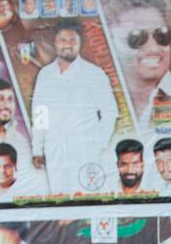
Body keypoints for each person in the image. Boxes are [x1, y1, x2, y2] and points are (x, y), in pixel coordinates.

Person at [31, 21, 119, 196]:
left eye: (73, 40)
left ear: (80, 43)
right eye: (63, 40)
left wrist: (97, 144)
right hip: (54, 149)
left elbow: (110, 112)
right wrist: (37, 149)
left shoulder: (94, 73)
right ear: (55, 43)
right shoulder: (45, 75)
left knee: (87, 198)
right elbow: (40, 113)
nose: (68, 44)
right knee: (60, 199)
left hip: (85, 150)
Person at [104, 0, 171, 124]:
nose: (153, 48)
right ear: (111, 42)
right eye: (136, 38)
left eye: (161, 36)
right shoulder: (94, 102)